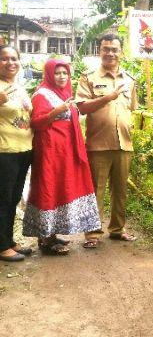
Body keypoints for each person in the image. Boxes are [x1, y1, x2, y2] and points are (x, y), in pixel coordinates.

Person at [22, 59, 101, 255]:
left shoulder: (64, 93)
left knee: (60, 189)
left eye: (65, 73)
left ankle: (52, 234)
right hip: (50, 151)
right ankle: (46, 239)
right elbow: (36, 123)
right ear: (49, 75)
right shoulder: (41, 95)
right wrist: (55, 112)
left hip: (65, 151)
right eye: (57, 73)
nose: (62, 76)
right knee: (49, 188)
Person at [76, 34, 138, 248]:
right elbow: (82, 107)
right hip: (98, 144)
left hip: (124, 143)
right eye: (106, 49)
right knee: (96, 191)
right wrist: (107, 98)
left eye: (114, 49)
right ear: (99, 51)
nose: (110, 53)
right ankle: (92, 234)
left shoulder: (129, 79)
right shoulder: (89, 77)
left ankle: (118, 229)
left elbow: (132, 109)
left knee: (120, 190)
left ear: (121, 52)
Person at [0, 45, 33, 262]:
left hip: (23, 150)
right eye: (4, 59)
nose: (10, 63)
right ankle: (2, 247)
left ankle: (8, 240)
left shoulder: (19, 87)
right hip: (5, 151)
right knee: (3, 199)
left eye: (14, 58)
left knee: (13, 199)